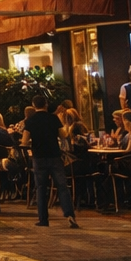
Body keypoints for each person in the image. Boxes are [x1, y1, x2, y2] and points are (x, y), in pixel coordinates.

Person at [24, 94, 78, 228]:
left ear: (33, 105)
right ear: (46, 104)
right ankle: (69, 214)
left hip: (39, 157)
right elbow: (63, 135)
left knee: (41, 188)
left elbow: (24, 141)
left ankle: (43, 219)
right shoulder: (53, 118)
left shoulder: (30, 121)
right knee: (62, 187)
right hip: (54, 156)